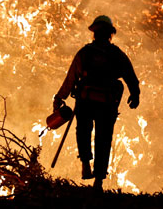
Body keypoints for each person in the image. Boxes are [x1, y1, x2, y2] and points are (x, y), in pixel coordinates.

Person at [53, 15, 140, 190]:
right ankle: (98, 180)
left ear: (95, 33)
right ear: (110, 34)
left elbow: (70, 78)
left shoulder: (84, 53)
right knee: (104, 139)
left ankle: (86, 164)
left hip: (85, 101)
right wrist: (135, 94)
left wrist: (59, 97)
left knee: (83, 132)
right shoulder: (117, 55)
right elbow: (130, 76)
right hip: (107, 104)